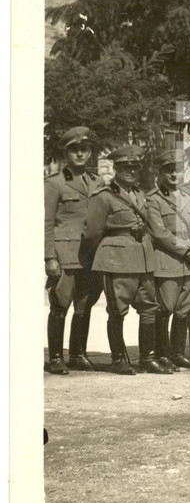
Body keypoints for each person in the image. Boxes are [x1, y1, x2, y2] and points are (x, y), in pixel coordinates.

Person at [79, 145, 158, 375]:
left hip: (143, 257)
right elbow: (91, 233)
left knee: (148, 308)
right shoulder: (103, 196)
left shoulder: (141, 194)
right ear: (116, 168)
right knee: (117, 310)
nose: (131, 172)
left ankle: (146, 358)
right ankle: (119, 359)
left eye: (135, 167)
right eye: (125, 167)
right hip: (118, 259)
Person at [44, 126, 103, 374]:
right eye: (74, 150)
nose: (79, 154)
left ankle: (78, 353)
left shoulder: (97, 182)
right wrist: (49, 257)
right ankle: (56, 357)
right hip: (65, 254)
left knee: (85, 304)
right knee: (60, 305)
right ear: (66, 154)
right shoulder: (54, 183)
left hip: (91, 254)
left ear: (90, 153)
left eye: (84, 150)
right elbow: (46, 222)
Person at [146, 149, 190, 371]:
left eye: (177, 170)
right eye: (168, 170)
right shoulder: (153, 199)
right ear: (160, 173)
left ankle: (178, 353)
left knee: (183, 310)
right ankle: (161, 354)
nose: (173, 174)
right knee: (165, 309)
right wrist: (186, 250)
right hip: (168, 263)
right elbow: (159, 233)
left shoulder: (186, 198)